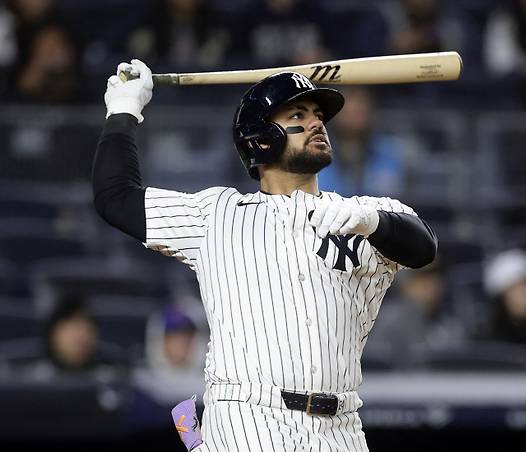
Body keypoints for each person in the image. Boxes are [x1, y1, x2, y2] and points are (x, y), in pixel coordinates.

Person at [93, 59, 438, 451]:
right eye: (297, 115)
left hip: (341, 426)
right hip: (250, 416)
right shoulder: (217, 215)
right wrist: (123, 112)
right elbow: (116, 199)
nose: (316, 123)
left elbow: (424, 248)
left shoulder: (362, 213)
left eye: (318, 115)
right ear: (260, 139)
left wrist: (372, 221)